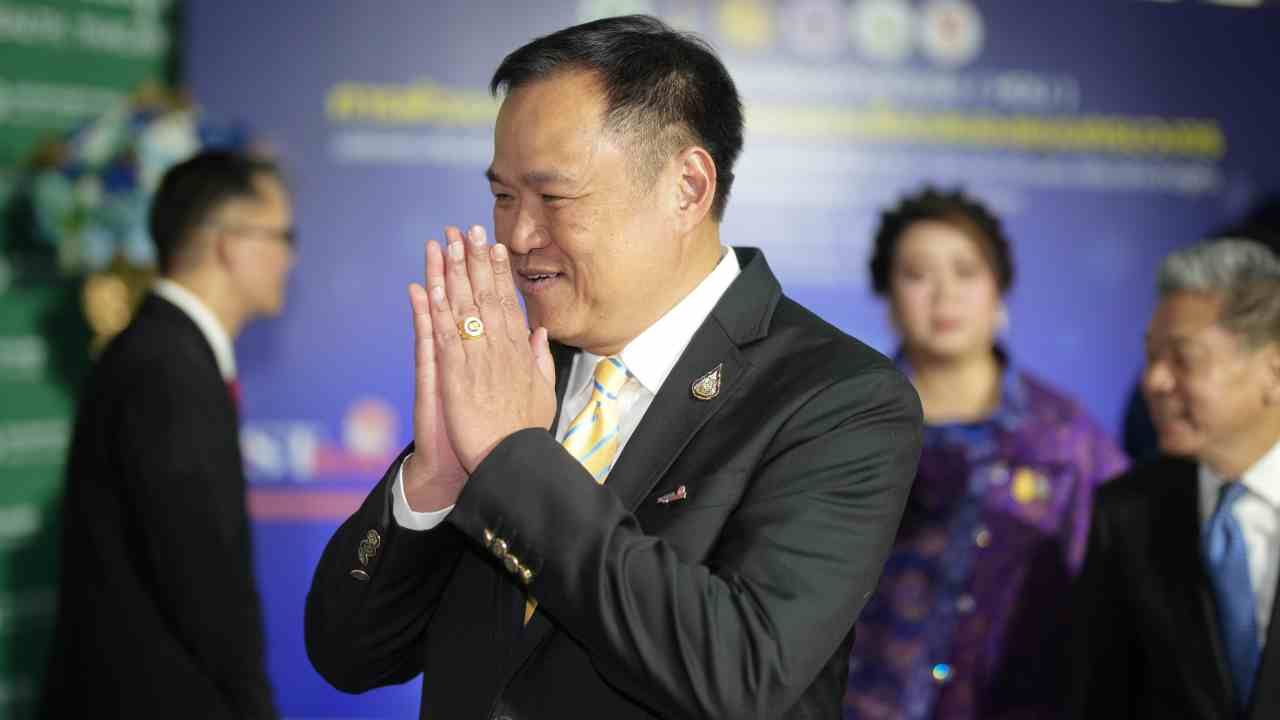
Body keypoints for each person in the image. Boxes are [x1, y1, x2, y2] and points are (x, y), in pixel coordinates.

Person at [305, 15, 923, 719]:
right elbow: (346, 653)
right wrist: (434, 482)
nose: (518, 236)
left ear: (687, 187)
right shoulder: (516, 371)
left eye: (553, 197)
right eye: (503, 197)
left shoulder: (839, 399)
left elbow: (740, 675)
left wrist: (515, 461)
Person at [844, 188, 1128, 719]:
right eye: (917, 275)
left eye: (966, 272)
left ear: (999, 287)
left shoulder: (1062, 436)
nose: (944, 295)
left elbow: (1118, 590)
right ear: (887, 295)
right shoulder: (845, 421)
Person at [42, 150, 294, 718]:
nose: (290, 257)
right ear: (230, 243)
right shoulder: (167, 368)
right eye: (282, 236)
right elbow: (200, 579)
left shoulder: (163, 352)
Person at [1073, 239, 1280, 719]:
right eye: (1151, 357)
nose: (1154, 382)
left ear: (1273, 372)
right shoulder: (1127, 512)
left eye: (1183, 359)